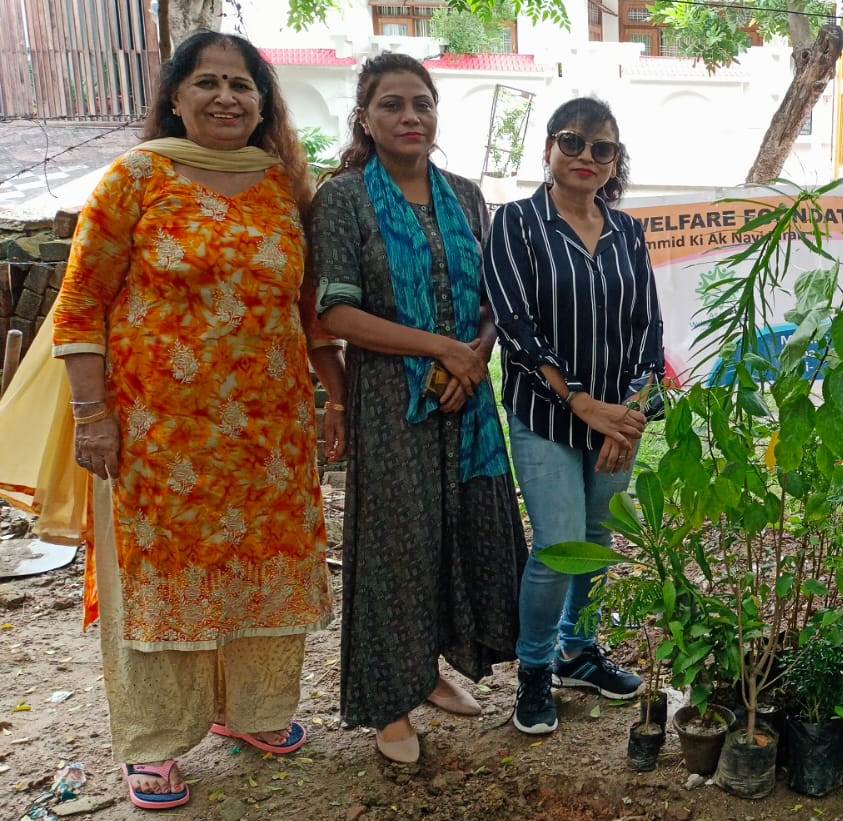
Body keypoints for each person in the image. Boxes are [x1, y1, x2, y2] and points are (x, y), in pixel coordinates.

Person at [48, 31, 346, 810]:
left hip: (269, 438)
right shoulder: (134, 179)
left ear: (262, 103)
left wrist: (332, 397)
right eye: (208, 83)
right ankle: (151, 741)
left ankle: (247, 712)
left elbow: (307, 307)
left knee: (260, 567)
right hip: (157, 435)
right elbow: (81, 304)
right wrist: (92, 414)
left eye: (242, 85)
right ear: (175, 97)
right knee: (161, 583)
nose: (226, 98)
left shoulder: (283, 185)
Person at [311, 53, 529, 764]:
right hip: (389, 403)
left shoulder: (465, 196)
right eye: (393, 105)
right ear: (365, 119)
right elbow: (337, 310)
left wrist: (472, 357)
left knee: (457, 536)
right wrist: (444, 348)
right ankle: (389, 701)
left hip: (465, 404)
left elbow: (494, 301)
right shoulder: (342, 200)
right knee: (395, 550)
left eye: (422, 104)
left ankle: (430, 671)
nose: (410, 117)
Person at [484, 97, 665, 735]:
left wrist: (632, 414)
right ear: (549, 149)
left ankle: (579, 652)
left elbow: (650, 326)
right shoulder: (515, 223)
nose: (587, 157)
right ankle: (534, 671)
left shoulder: (628, 232)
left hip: (619, 418)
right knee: (559, 546)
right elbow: (516, 326)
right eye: (573, 143)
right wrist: (585, 404)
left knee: (596, 542)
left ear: (616, 161)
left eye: (603, 149)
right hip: (550, 416)